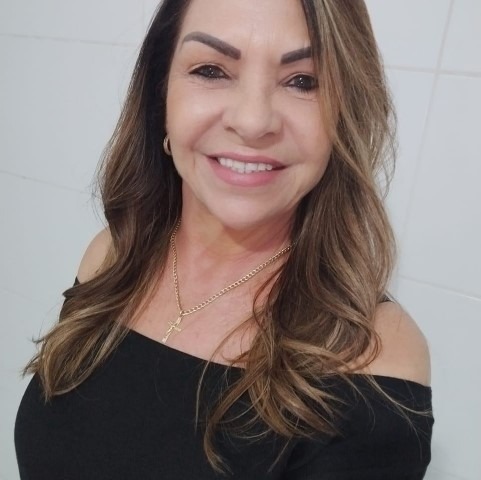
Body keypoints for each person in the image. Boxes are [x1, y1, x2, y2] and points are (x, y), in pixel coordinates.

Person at [15, 0, 433, 478]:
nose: (253, 121)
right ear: (161, 95)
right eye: (211, 70)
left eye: (303, 81)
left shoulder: (375, 354)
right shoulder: (114, 254)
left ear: (345, 113)